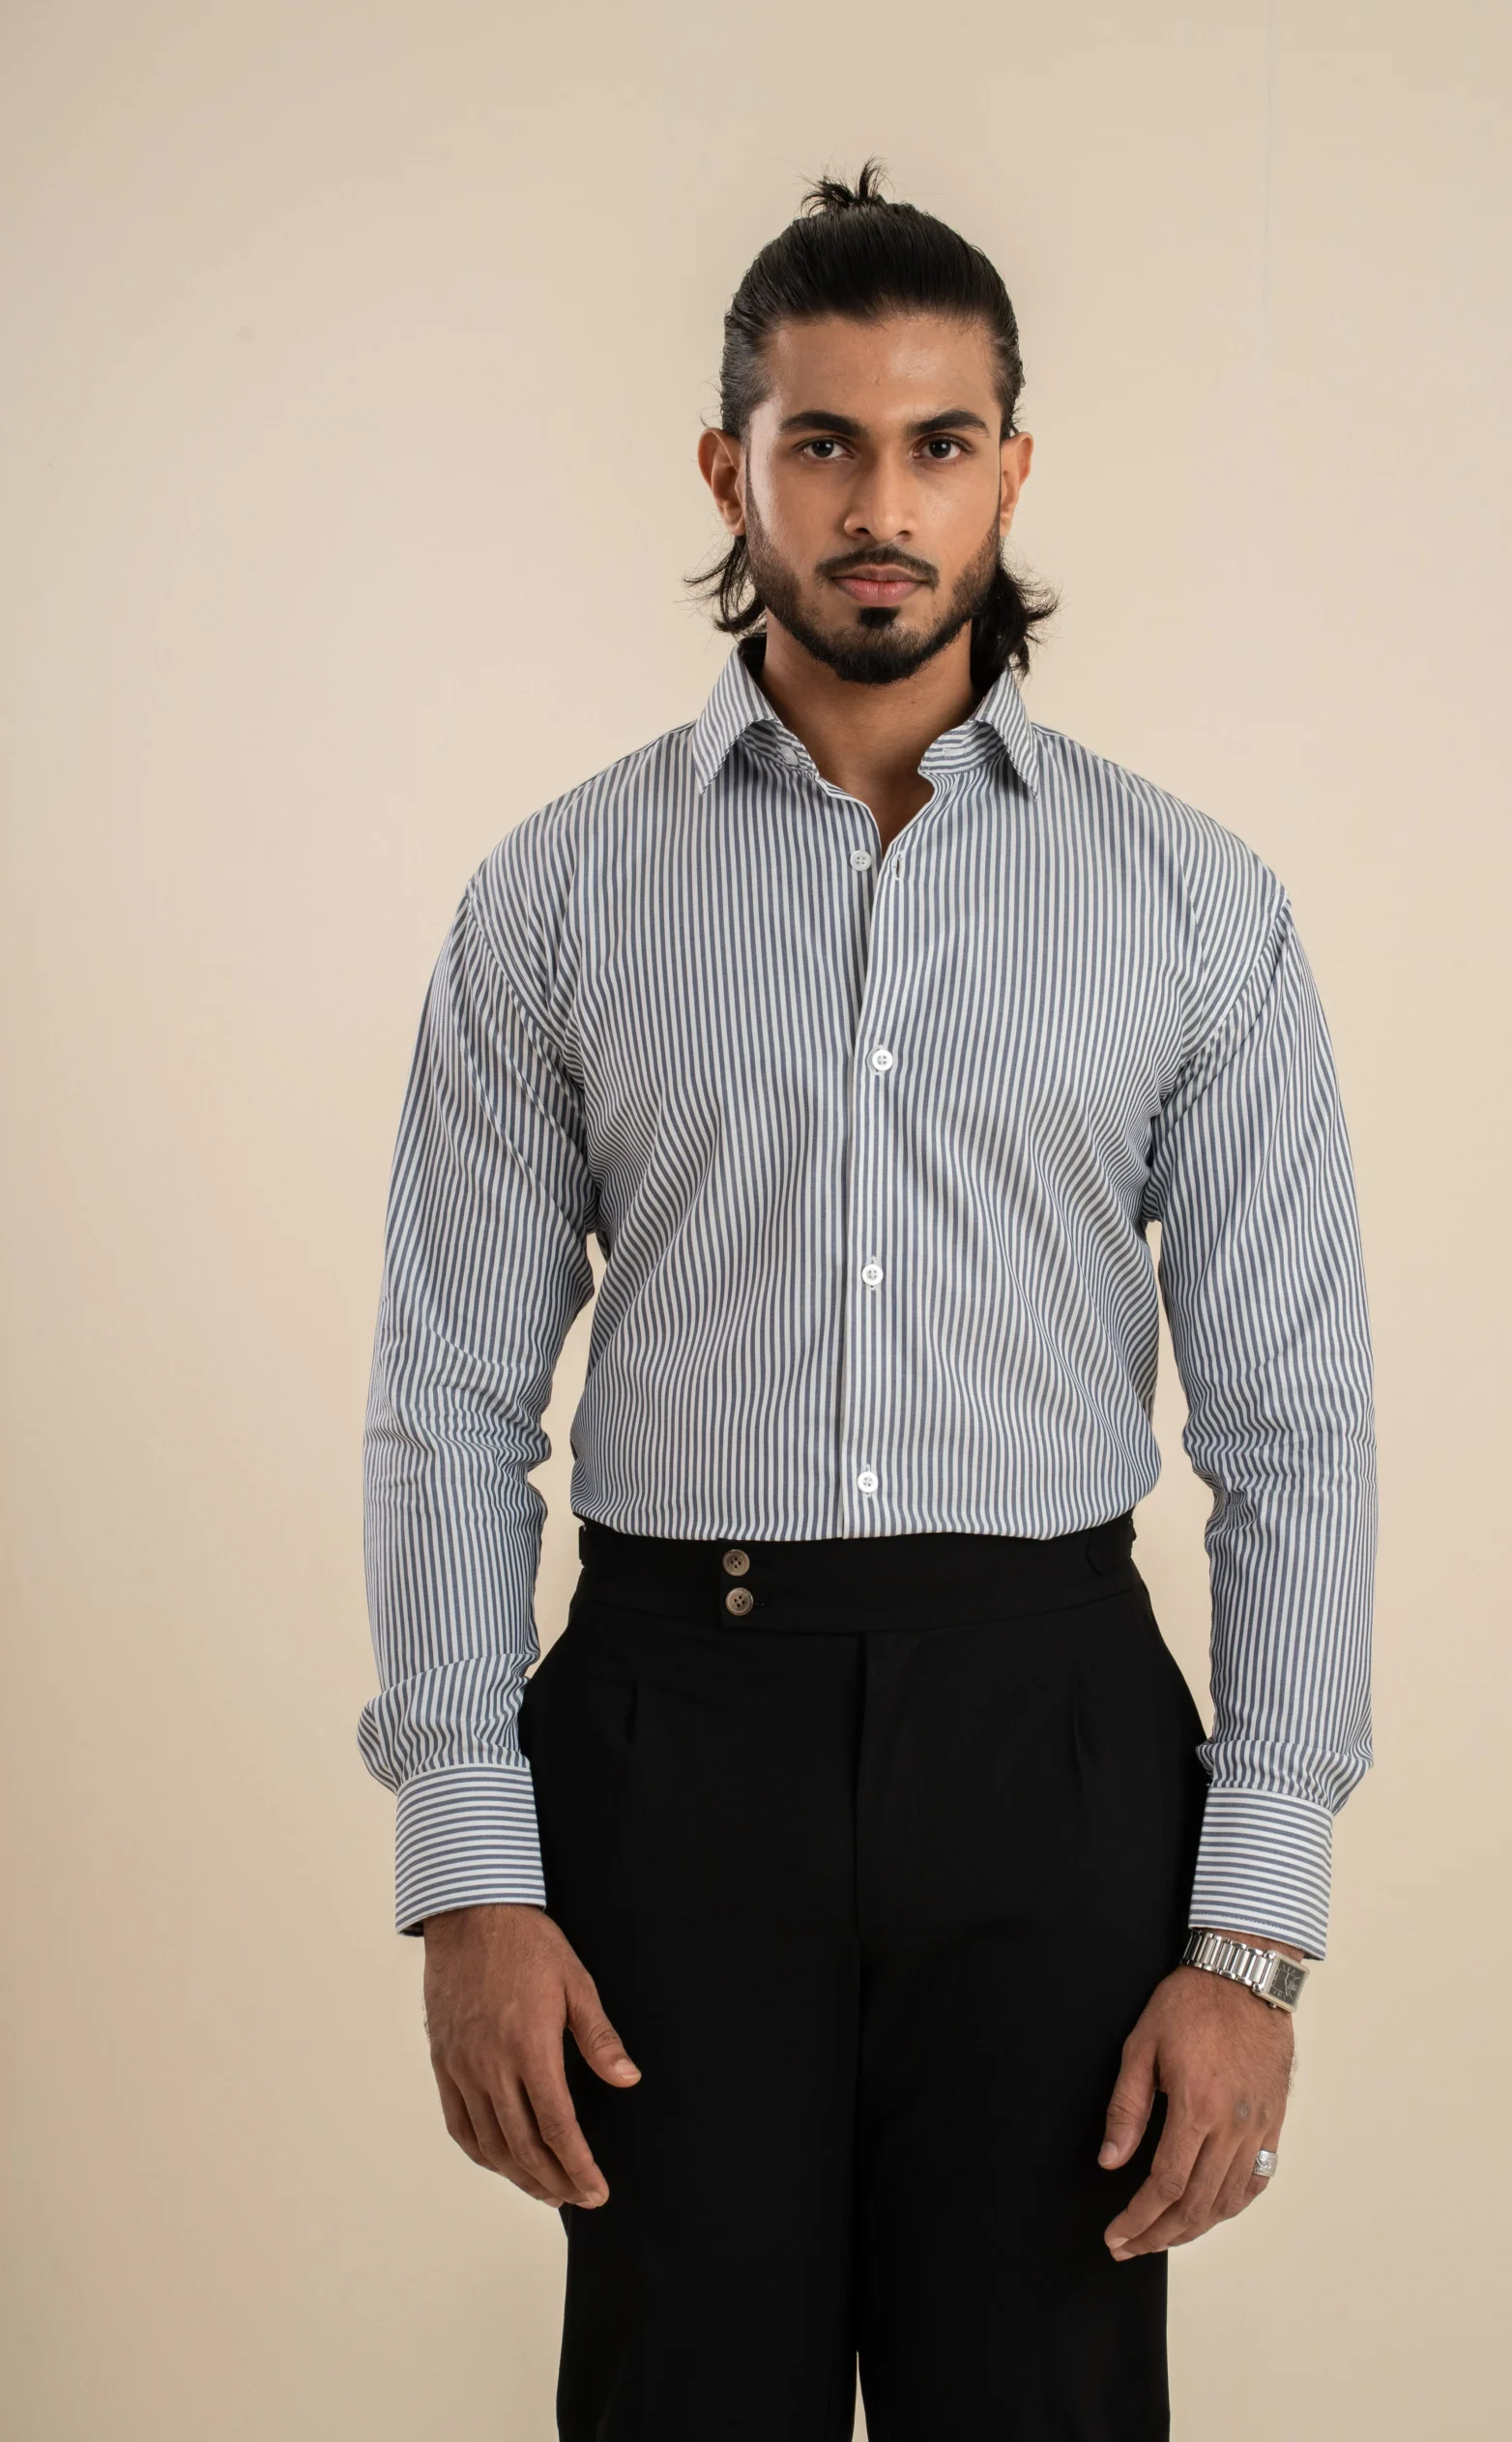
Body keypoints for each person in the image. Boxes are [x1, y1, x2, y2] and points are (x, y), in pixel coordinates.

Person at [358, 162, 1377, 2440]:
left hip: (1051, 1735)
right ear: (729, 470)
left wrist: (1250, 1938)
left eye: (937, 442)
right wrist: (465, 1875)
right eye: (821, 440)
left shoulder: (1188, 903)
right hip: (665, 1741)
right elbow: (446, 1396)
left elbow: (1293, 1427)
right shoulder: (560, 893)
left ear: (1012, 469)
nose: (880, 503)